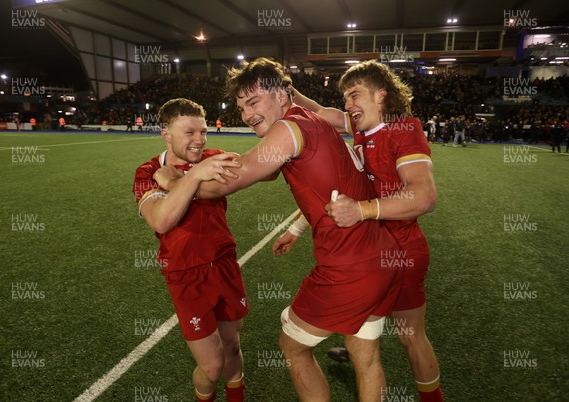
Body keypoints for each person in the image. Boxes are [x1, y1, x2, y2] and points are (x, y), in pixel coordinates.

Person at [154, 58, 403, 402]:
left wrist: (178, 180)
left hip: (349, 266)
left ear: (284, 96)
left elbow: (230, 182)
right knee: (366, 356)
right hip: (381, 257)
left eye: (254, 102)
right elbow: (288, 174)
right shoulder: (314, 122)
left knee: (292, 346)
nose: (246, 114)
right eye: (241, 107)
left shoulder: (288, 129)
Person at [279, 60, 443, 402]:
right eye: (345, 97)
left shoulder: (402, 129)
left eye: (355, 95)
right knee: (367, 337)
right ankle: (357, 349)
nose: (348, 104)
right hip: (369, 251)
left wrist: (364, 210)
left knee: (410, 336)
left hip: (400, 248)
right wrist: (288, 93)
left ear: (382, 94)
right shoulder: (361, 130)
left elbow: (425, 196)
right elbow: (323, 112)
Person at [132, 98, 248, 402]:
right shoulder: (148, 172)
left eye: (204, 131)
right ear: (166, 134)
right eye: (189, 133)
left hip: (224, 264)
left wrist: (179, 181)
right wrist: (196, 175)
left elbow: (265, 173)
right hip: (186, 273)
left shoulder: (214, 157)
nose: (199, 141)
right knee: (211, 367)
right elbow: (161, 219)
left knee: (233, 348)